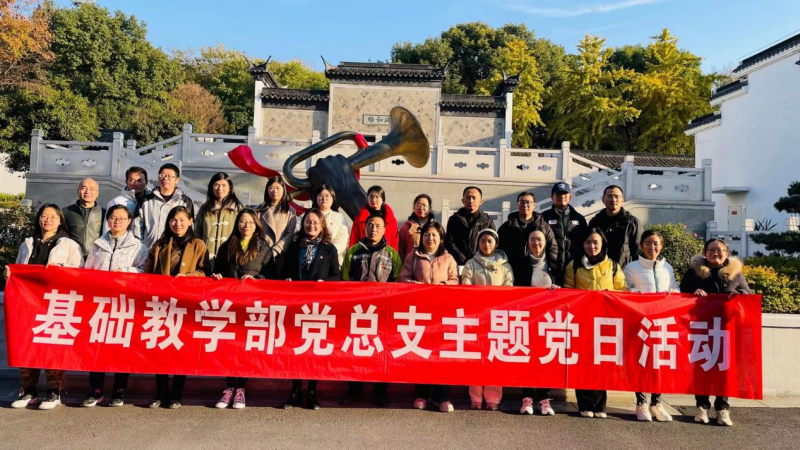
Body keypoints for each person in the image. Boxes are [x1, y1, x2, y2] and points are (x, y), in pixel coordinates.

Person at [6, 204, 83, 410]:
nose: (47, 220)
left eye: (52, 216)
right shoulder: (28, 243)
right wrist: (11, 275)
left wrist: (61, 270)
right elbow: (19, 269)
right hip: (28, 302)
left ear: (60, 220)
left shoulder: (69, 245)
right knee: (26, 344)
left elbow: (80, 272)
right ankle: (28, 390)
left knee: (52, 346)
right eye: (44, 216)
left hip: (55, 303)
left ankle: (54, 391)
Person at [144, 206, 211, 409]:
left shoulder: (198, 245)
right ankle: (160, 391)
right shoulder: (160, 244)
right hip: (162, 303)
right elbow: (148, 273)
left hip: (185, 305)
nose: (177, 224)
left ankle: (176, 394)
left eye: (182, 220)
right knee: (160, 348)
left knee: (180, 348)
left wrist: (189, 277)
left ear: (191, 221)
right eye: (173, 220)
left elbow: (205, 272)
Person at [82, 205, 148, 408]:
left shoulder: (139, 247)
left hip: (125, 304)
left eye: (121, 218)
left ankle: (119, 390)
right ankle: (96, 390)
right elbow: (88, 271)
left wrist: (127, 271)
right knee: (97, 347)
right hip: (100, 304)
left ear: (129, 221)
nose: (117, 221)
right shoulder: (98, 244)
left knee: (122, 348)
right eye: (113, 218)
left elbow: (145, 272)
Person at [680, 238, 750, 427]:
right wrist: (693, 294)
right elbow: (681, 294)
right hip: (700, 328)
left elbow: (747, 294)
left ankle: (722, 408)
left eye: (719, 250)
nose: (715, 253)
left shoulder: (735, 273)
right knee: (702, 367)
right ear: (705, 253)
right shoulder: (693, 272)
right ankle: (701, 407)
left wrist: (739, 294)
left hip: (725, 329)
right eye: (711, 250)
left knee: (724, 369)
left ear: (727, 252)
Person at [211, 208, 277, 410]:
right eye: (242, 221)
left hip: (251, 305)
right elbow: (218, 270)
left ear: (256, 225)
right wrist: (217, 276)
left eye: (250, 222)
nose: (246, 225)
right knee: (229, 348)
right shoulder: (227, 245)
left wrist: (257, 279)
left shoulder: (263, 247)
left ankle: (241, 389)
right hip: (231, 305)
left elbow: (272, 275)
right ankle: (229, 387)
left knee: (245, 348)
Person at [565, 227, 628, 418]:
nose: (591, 246)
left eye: (595, 242)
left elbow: (623, 290)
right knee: (583, 362)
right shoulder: (574, 265)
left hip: (605, 321)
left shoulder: (613, 266)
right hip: (582, 320)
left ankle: (599, 405)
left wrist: (607, 295)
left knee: (601, 363)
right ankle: (584, 404)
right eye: (588, 242)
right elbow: (567, 290)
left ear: (602, 244)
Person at [281, 208, 341, 410]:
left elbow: (336, 276)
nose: (311, 226)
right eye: (308, 222)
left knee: (314, 350)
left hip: (318, 308)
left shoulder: (329, 249)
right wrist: (287, 280)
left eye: (315, 222)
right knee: (296, 349)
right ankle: (296, 390)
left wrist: (325, 283)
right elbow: (285, 272)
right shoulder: (294, 246)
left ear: (322, 225)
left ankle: (312, 391)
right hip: (296, 307)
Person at [341, 214, 403, 407]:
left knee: (381, 353)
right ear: (364, 227)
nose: (373, 229)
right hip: (357, 311)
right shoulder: (353, 252)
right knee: (356, 351)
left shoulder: (392, 254)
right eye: (370, 225)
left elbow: (398, 282)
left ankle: (380, 393)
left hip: (383, 312)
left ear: (384, 230)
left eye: (377, 226)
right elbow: (344, 280)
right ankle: (354, 391)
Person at [398, 221, 458, 413]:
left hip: (442, 314)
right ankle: (422, 394)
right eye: (426, 235)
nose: (430, 238)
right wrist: (416, 286)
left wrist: (443, 286)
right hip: (420, 313)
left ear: (441, 238)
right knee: (421, 353)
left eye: (434, 235)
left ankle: (442, 396)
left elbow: (456, 281)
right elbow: (402, 278)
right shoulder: (413, 256)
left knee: (441, 356)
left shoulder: (448, 258)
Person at [623, 230, 680, 422]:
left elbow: (675, 286)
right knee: (641, 362)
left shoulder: (667, 268)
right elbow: (625, 289)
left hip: (662, 322)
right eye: (647, 243)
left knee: (659, 364)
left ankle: (656, 402)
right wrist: (634, 292)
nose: (651, 247)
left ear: (661, 246)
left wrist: (674, 291)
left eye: (655, 243)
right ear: (641, 245)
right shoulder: (632, 267)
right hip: (641, 322)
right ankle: (641, 402)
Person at [461, 228, 513, 410]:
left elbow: (509, 288)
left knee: (495, 358)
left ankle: (493, 398)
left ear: (496, 244)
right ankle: (475, 397)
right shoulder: (470, 264)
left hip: (497, 318)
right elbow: (465, 287)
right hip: (476, 317)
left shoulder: (505, 266)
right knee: (476, 358)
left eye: (490, 241)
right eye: (483, 241)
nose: (486, 244)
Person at [518, 227, 560, 416]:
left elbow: (565, 287)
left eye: (539, 239)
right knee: (526, 358)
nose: (536, 243)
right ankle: (527, 399)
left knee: (545, 359)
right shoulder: (522, 264)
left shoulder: (555, 263)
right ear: (528, 243)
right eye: (532, 240)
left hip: (549, 319)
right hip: (526, 318)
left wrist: (558, 288)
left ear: (546, 242)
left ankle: (544, 399)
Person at [498, 191, 558, 286]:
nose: (525, 205)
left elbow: (552, 247)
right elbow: (499, 250)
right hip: (513, 273)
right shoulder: (507, 227)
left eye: (528, 202)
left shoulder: (543, 226)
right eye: (521, 202)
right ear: (517, 204)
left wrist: (552, 268)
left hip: (538, 272)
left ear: (534, 204)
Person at [134, 163, 195, 249]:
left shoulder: (185, 202)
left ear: (177, 180)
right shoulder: (146, 200)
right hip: (148, 250)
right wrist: (140, 249)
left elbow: (189, 228)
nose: (165, 178)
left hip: (174, 251)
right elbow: (137, 226)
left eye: (169, 176)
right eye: (162, 175)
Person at [541, 182, 587, 283]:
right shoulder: (543, 218)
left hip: (574, 268)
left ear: (570, 196)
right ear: (552, 197)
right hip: (551, 270)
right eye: (558, 194)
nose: (562, 197)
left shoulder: (579, 219)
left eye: (565, 194)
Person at [587, 185, 642, 267]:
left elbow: (638, 251)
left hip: (623, 271)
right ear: (603, 200)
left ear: (622, 200)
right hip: (599, 270)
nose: (613, 200)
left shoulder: (632, 223)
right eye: (609, 196)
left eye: (617, 197)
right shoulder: (595, 222)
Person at [195, 172, 243, 266]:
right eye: (216, 185)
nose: (220, 189)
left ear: (229, 188)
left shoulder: (237, 209)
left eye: (224, 185)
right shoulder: (205, 208)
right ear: (211, 187)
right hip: (206, 257)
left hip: (230, 257)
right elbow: (197, 232)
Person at [444, 186, 496, 266]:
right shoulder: (454, 220)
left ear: (481, 201)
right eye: (468, 197)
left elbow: (492, 243)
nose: (471, 201)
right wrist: (464, 260)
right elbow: (450, 243)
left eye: (474, 198)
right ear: (463, 200)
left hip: (481, 264)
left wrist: (477, 259)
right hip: (459, 264)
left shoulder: (488, 221)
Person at [256, 175, 298, 270]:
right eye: (271, 188)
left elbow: (290, 234)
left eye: (278, 188)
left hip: (281, 254)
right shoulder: (258, 210)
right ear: (267, 190)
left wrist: (275, 250)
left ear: (283, 190)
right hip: (261, 255)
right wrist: (263, 251)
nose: (275, 191)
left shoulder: (290, 212)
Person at [62, 177, 105, 258]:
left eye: (92, 189)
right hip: (72, 257)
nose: (87, 192)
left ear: (97, 193)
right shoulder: (66, 211)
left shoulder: (104, 213)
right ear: (78, 191)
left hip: (96, 257)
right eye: (84, 188)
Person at [348, 185, 399, 251]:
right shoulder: (359, 219)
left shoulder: (391, 219)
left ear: (382, 199)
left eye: (377, 197)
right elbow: (353, 240)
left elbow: (394, 242)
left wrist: (393, 255)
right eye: (371, 196)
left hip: (384, 254)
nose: (374, 200)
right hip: (363, 253)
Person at [104, 166, 151, 233]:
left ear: (146, 182)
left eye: (140, 180)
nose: (136, 184)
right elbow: (108, 228)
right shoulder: (117, 202)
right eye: (132, 181)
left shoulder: (153, 201)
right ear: (126, 182)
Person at [312, 184, 349, 264]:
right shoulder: (308, 216)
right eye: (320, 195)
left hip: (331, 259)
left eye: (327, 196)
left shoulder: (339, 217)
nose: (323, 198)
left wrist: (327, 252)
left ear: (333, 198)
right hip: (310, 256)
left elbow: (342, 239)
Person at [398, 194, 435, 260]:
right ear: (414, 207)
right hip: (410, 264)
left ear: (429, 208)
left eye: (424, 205)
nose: (421, 207)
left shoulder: (435, 228)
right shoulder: (406, 228)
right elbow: (400, 250)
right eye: (418, 205)